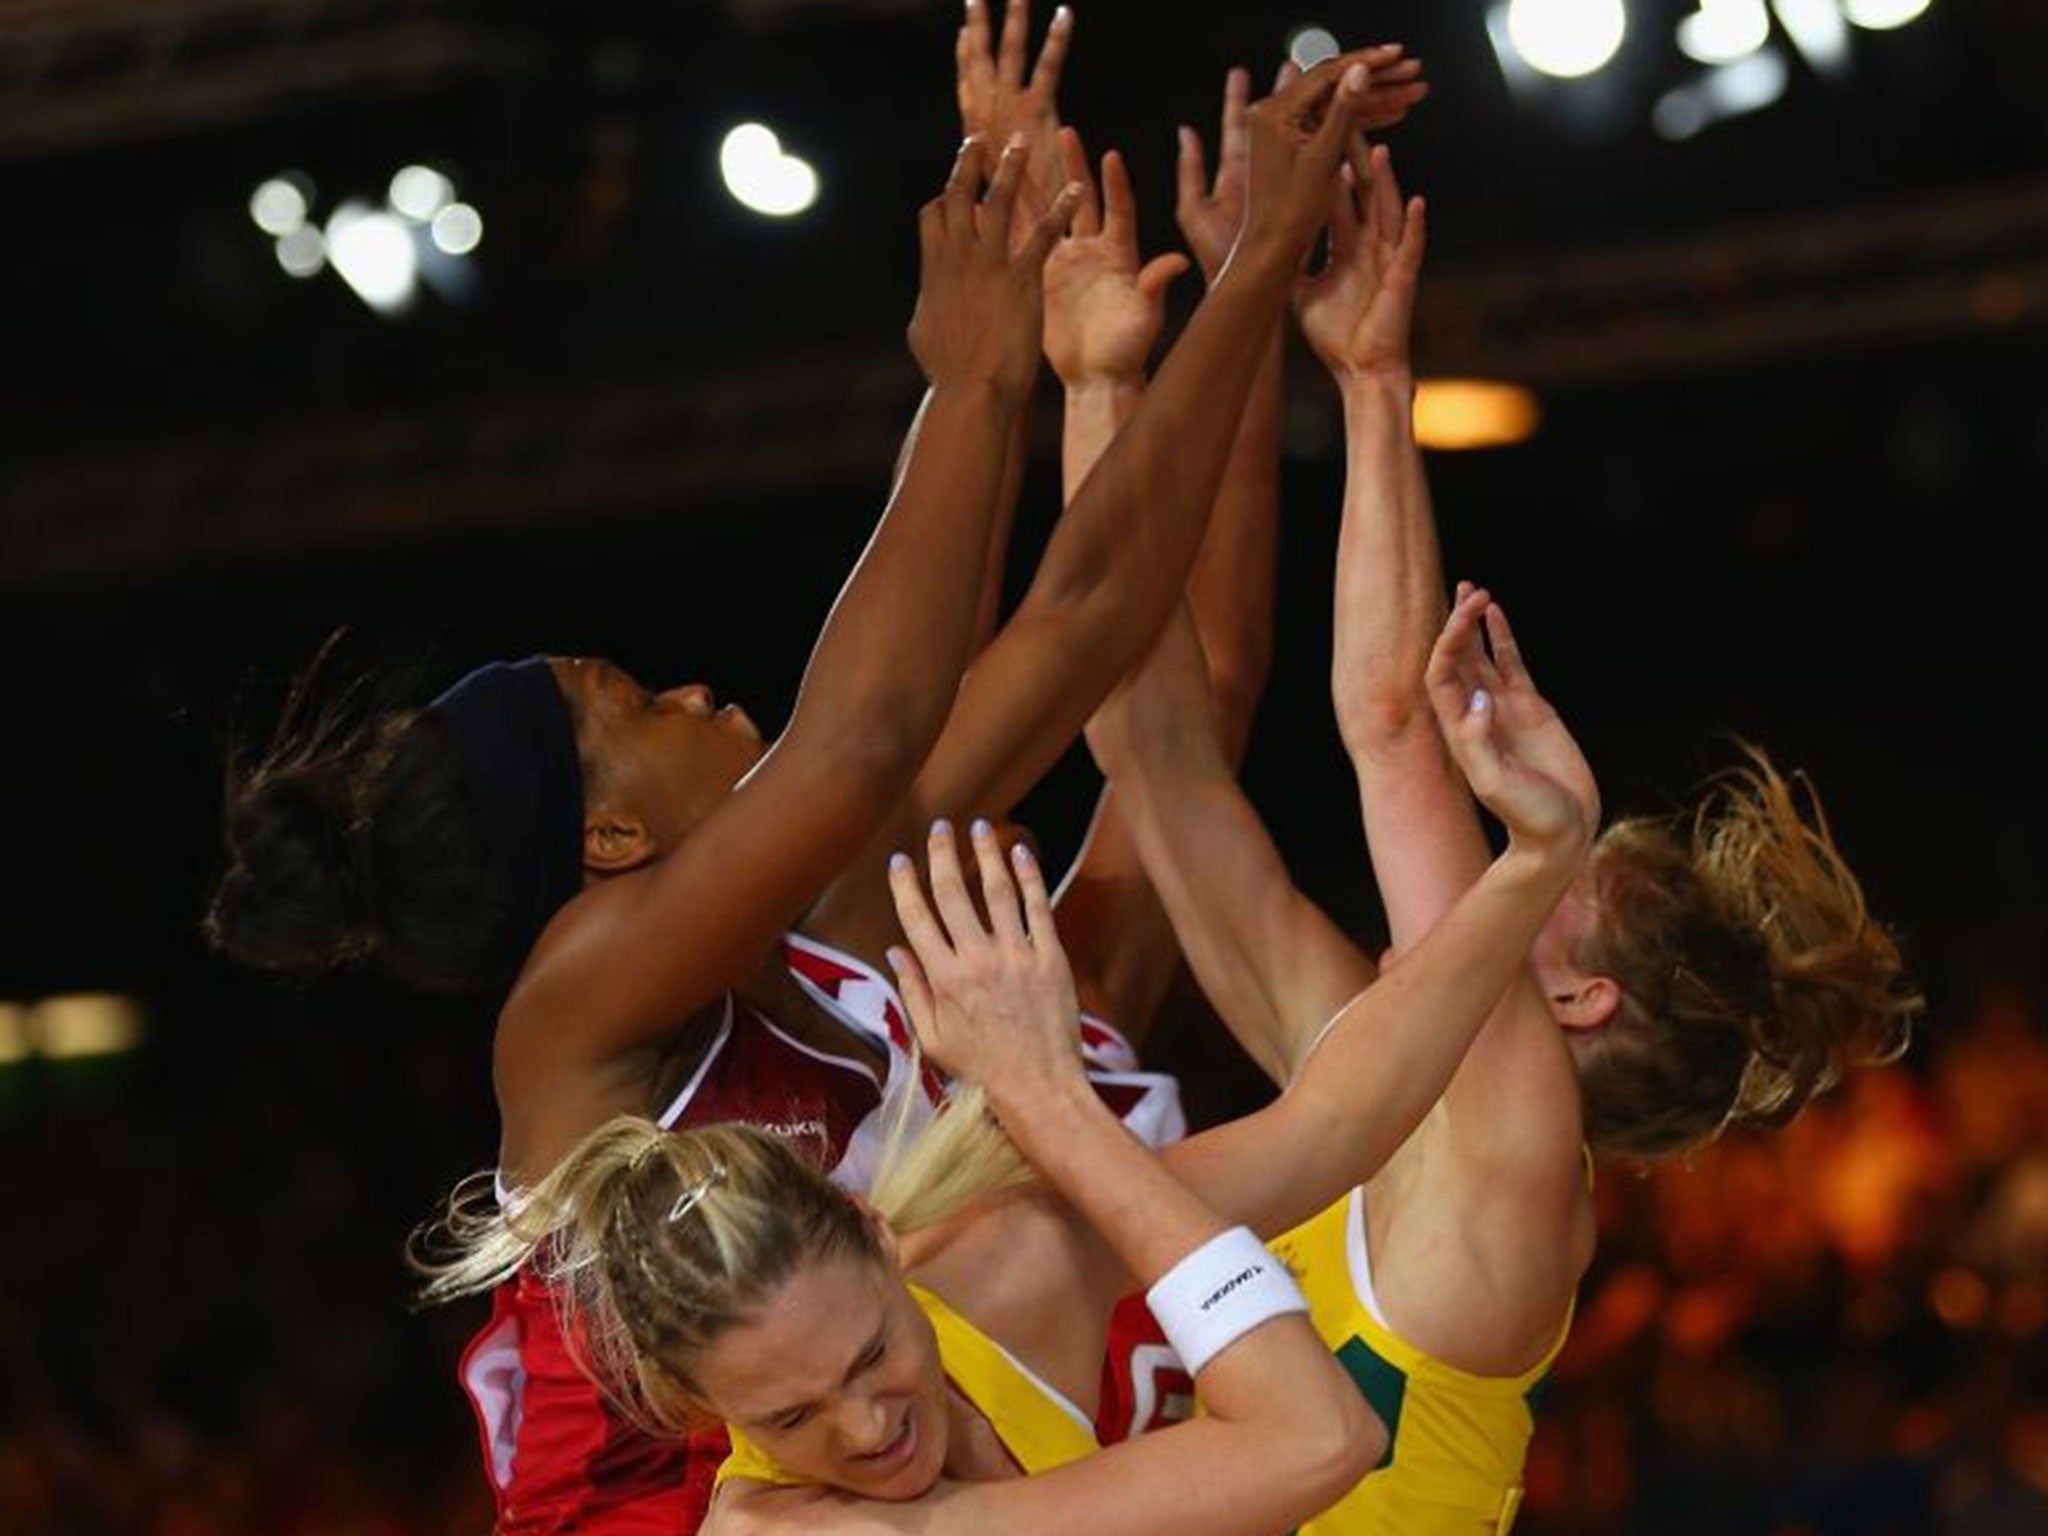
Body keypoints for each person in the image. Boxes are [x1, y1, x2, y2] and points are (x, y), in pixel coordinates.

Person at [217, 41, 1408, 1535]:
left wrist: (1191, 303)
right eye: (639, 703)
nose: (702, 693)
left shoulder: (852, 952)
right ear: (609, 834)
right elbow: (863, 733)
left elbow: (1103, 628)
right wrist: (977, 369)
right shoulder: (579, 1011)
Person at [1082, 143, 1921, 1533]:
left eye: (1553, 882)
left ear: (1578, 999)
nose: (1506, 860)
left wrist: (1370, 377)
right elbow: (1153, 754)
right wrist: (1111, 379)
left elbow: (1397, 729)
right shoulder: (1366, 1076)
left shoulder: (1521, 1149)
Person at [439, 574, 1599, 1536]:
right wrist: (1048, 1101)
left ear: (886, 1239)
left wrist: (1535, 861)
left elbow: (1337, 1121)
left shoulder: (1001, 1262)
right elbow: (1321, 1438)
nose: (864, 1429)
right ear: (706, 1410)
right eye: (791, 1418)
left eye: (869, 1355)